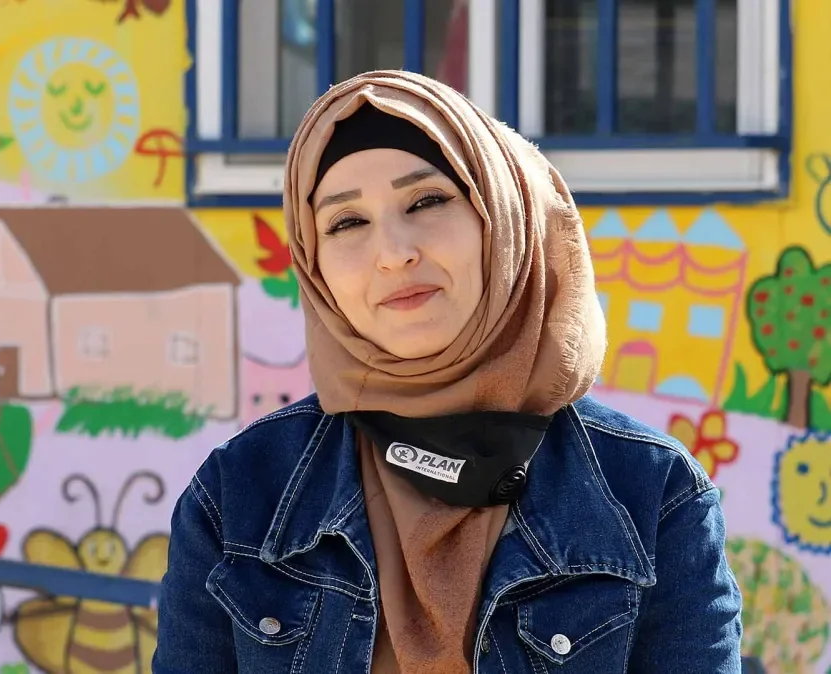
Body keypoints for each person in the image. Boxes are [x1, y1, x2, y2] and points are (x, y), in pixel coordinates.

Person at [152, 71, 743, 673]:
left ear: (500, 220)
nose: (395, 251)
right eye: (346, 223)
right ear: (313, 262)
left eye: (427, 201)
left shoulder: (650, 491)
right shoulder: (239, 494)